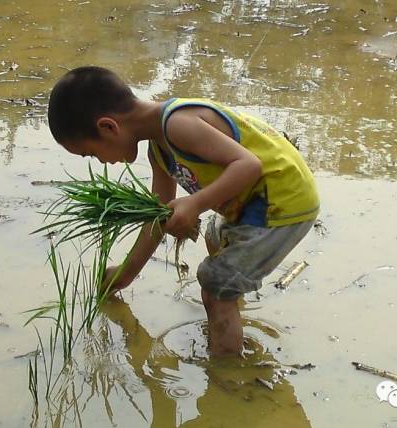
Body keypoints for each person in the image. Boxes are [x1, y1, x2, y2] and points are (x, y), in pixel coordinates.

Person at [47, 66, 319, 356]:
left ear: (108, 127)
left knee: (214, 286)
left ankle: (227, 374)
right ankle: (230, 309)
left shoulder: (177, 124)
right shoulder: (159, 151)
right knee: (215, 238)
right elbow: (157, 218)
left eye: (92, 153)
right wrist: (126, 273)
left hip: (282, 201)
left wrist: (195, 203)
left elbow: (248, 165)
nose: (100, 161)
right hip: (254, 203)